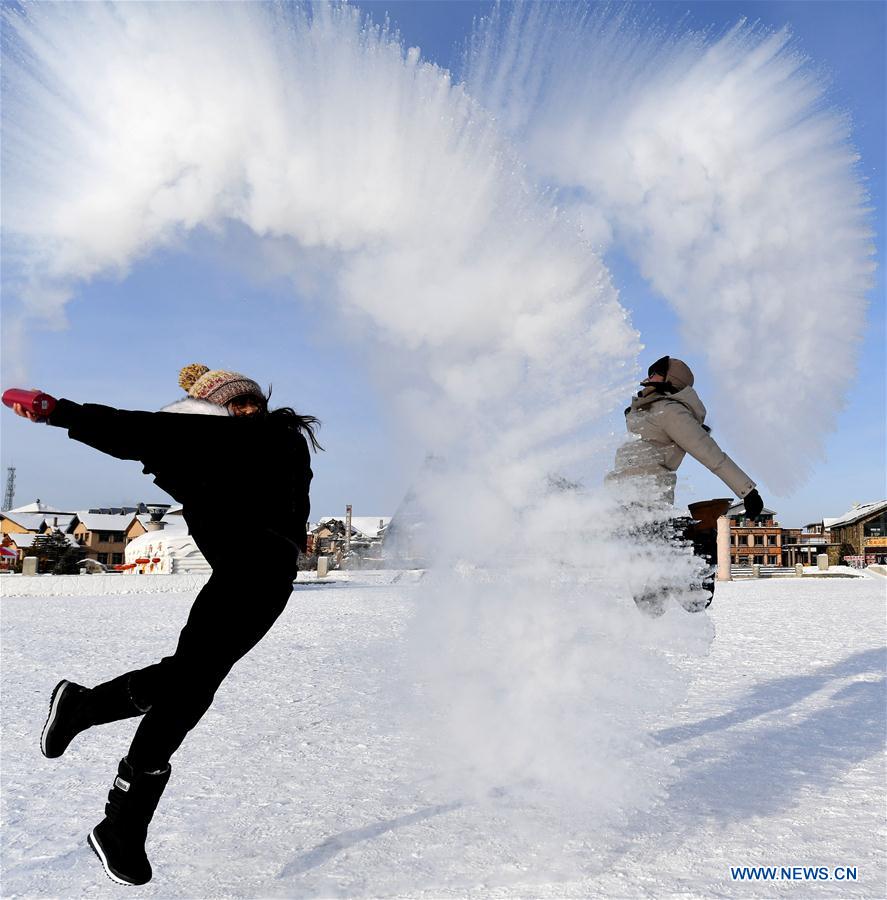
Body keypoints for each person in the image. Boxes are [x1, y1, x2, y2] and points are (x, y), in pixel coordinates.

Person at [8, 363, 319, 886]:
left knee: (188, 679)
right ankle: (120, 820)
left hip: (271, 582)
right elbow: (128, 429)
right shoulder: (203, 437)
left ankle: (83, 708)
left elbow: (288, 494)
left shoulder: (279, 438)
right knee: (190, 688)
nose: (247, 410)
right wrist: (55, 411)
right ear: (211, 410)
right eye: (233, 404)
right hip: (242, 577)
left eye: (250, 401)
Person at [609, 355, 763, 613]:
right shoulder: (648, 410)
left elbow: (711, 454)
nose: (648, 377)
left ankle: (700, 532)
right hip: (624, 505)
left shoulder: (671, 412)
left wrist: (747, 491)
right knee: (649, 604)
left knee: (694, 600)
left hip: (648, 504)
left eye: (654, 373)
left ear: (671, 379)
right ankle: (688, 537)